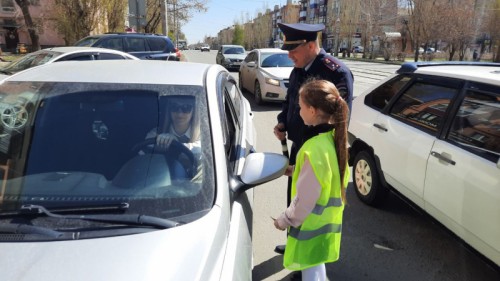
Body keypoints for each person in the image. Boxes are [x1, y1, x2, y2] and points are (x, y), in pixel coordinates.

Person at [273, 22, 354, 255]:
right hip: (302, 147)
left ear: (310, 45)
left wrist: (314, 148)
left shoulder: (336, 72)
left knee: (313, 205)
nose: (289, 56)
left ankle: (309, 254)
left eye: (293, 50)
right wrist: (283, 122)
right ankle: (294, 242)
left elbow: (341, 119)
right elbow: (289, 102)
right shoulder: (298, 68)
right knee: (296, 199)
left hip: (320, 152)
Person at [273, 79, 350, 281]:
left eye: (301, 107)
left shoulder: (312, 148)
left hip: (310, 225)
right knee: (316, 268)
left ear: (313, 111)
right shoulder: (333, 139)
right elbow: (323, 175)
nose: (298, 112)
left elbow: (306, 199)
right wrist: (294, 170)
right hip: (326, 224)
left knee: (312, 272)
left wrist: (284, 220)